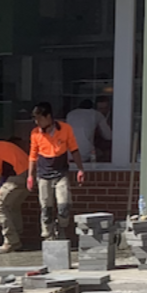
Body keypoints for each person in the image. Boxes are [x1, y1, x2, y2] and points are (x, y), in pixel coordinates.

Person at [27, 102, 82, 240]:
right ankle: (48, 234)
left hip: (61, 173)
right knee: (46, 208)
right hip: (43, 174)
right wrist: (30, 176)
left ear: (48, 117)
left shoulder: (65, 129)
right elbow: (32, 156)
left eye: (39, 118)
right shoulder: (35, 134)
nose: (37, 122)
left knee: (64, 205)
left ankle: (61, 227)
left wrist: (80, 169)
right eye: (35, 119)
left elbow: (74, 149)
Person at [66, 94, 113, 164]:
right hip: (86, 154)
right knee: (103, 155)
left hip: (68, 153)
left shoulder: (70, 114)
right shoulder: (96, 114)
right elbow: (109, 136)